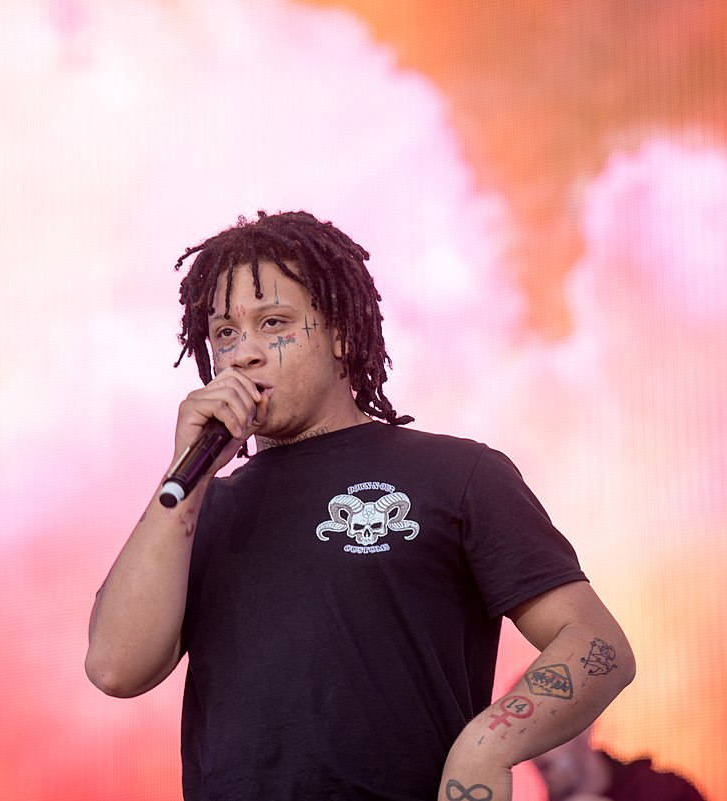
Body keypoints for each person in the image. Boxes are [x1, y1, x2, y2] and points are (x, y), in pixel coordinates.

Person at [85, 211, 636, 801]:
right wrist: (184, 475)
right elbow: (116, 668)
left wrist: (487, 745)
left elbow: (595, 643)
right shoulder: (199, 511)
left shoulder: (457, 474)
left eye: (273, 322)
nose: (243, 352)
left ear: (343, 334)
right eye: (225, 333)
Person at [532, 727, 706, 801]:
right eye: (521, 739)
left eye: (547, 730)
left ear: (585, 725)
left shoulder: (665, 792)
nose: (534, 750)